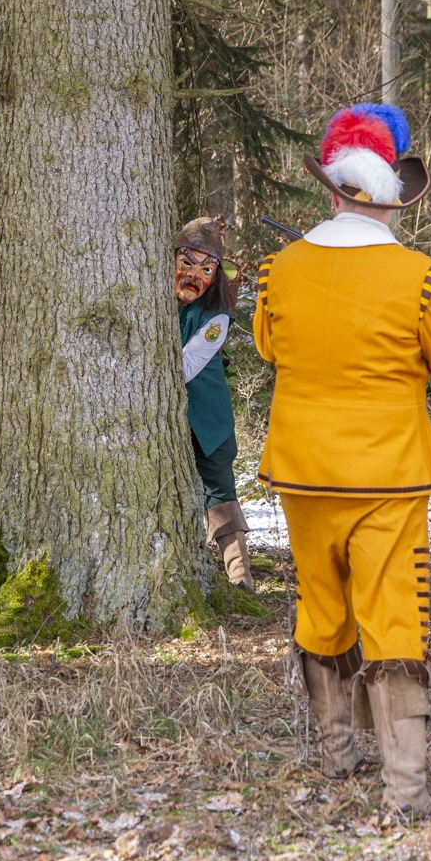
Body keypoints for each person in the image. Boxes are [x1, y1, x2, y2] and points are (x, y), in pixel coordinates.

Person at [252, 103, 431, 820]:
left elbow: (267, 347)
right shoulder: (421, 275)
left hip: (303, 470)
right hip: (389, 474)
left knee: (321, 607)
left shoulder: (278, 270)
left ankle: (336, 753)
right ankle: (405, 792)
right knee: (394, 619)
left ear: (332, 191)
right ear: (393, 196)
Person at [174, 216, 251, 588]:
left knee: (219, 491)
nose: (194, 275)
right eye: (187, 263)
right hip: (171, 422)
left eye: (206, 269)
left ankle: (239, 575)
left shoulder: (216, 316)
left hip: (209, 422)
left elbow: (187, 366)